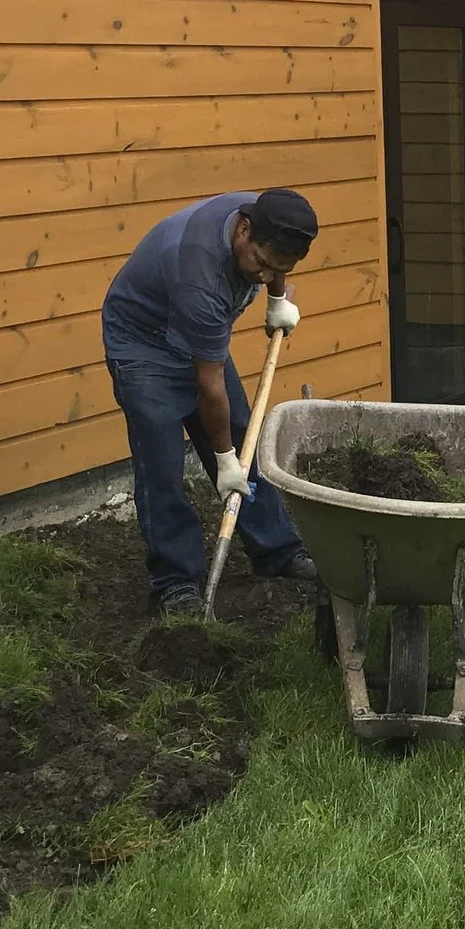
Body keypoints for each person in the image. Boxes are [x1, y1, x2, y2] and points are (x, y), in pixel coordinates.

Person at [103, 188, 320, 617]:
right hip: (142, 343)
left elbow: (275, 262)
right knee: (162, 463)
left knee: (245, 436)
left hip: (193, 334)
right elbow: (208, 387)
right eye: (260, 263)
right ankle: (176, 581)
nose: (262, 275)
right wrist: (223, 462)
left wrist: (277, 300)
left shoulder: (268, 216)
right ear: (243, 230)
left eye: (275, 270)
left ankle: (276, 551)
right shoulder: (199, 275)